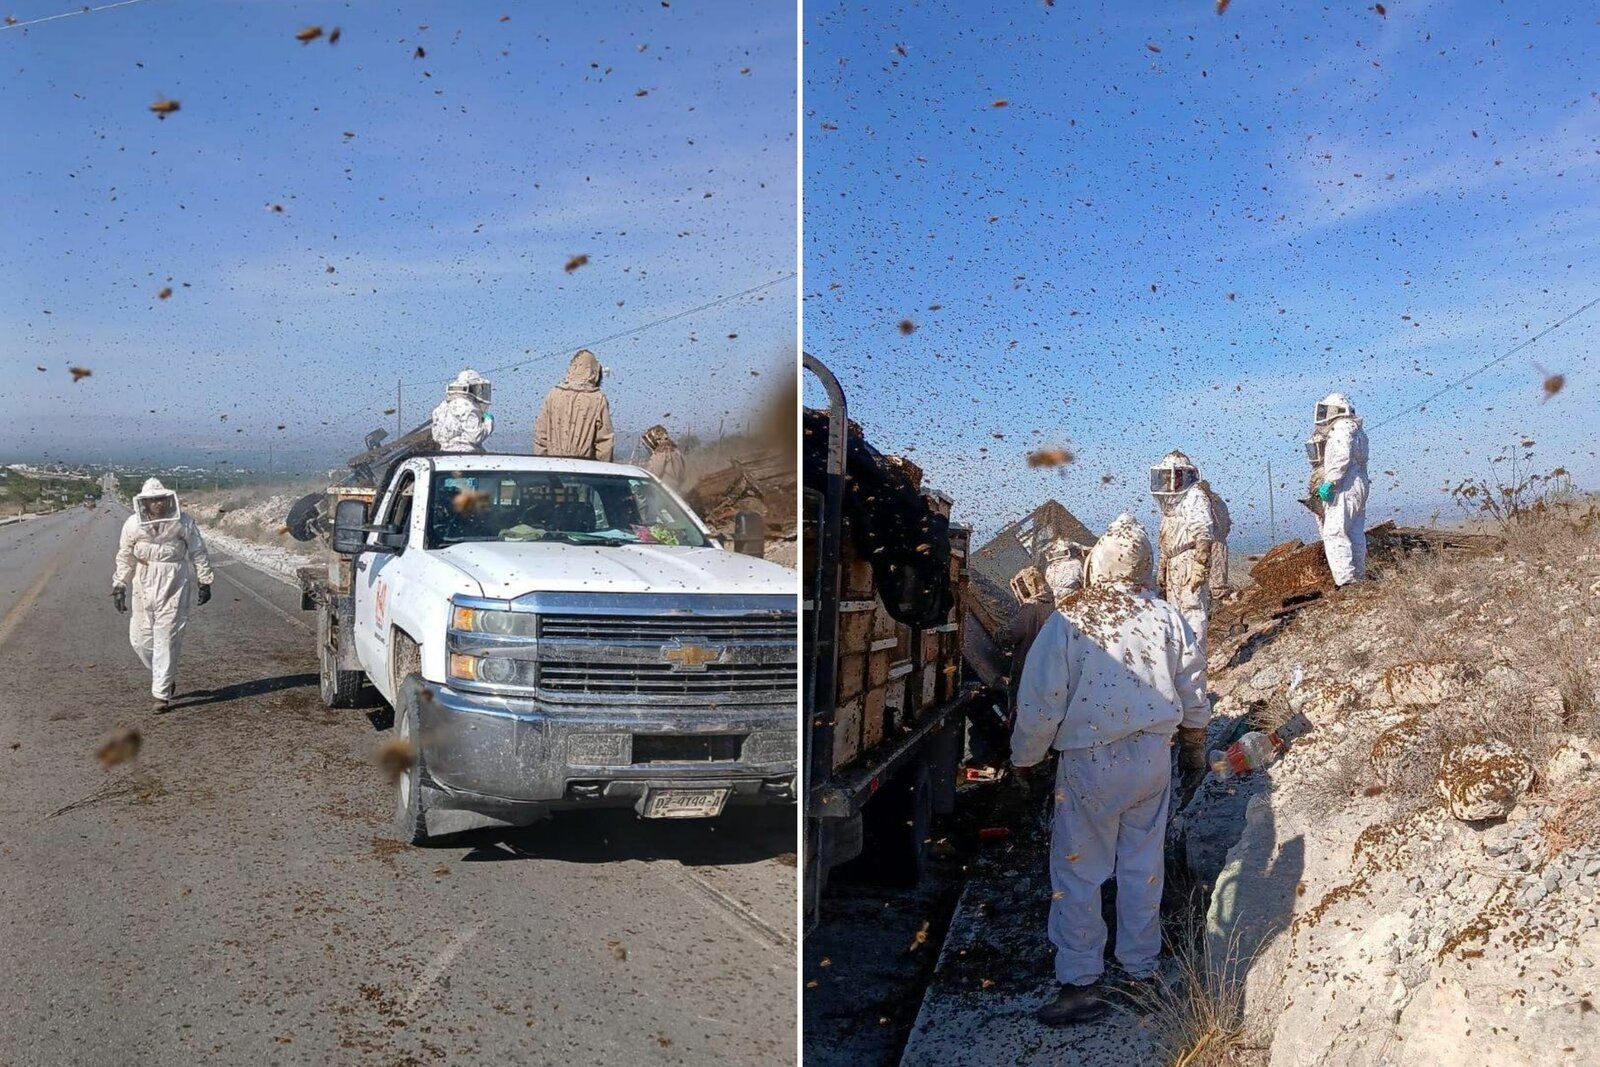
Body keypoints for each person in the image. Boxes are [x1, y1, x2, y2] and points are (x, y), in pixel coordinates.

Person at [1010, 514, 1210, 1026]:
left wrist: (1025, 762)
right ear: (1146, 564)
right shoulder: (1167, 616)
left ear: (1097, 562)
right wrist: (1192, 748)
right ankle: (1141, 971)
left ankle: (1080, 983)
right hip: (1152, 760)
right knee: (1143, 864)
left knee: (1079, 869)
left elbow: (1039, 702)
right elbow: (1192, 691)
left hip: (1090, 764)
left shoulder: (1072, 620)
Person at [111, 479, 214, 711]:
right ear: (144, 503)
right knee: (140, 640)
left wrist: (205, 580)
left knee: (166, 638)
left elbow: (198, 551)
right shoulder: (132, 525)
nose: (157, 504)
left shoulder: (182, 522)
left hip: (174, 582)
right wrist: (119, 586)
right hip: (143, 581)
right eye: (152, 500)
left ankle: (161, 694)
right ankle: (164, 677)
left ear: (167, 500)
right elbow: (125, 556)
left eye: (160, 499)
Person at [1150, 450, 1220, 656]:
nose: (1167, 480)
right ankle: (1183, 661)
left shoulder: (1194, 496)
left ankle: (1195, 659)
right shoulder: (1170, 506)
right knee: (1175, 614)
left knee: (1192, 611)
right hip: (1174, 563)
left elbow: (1203, 532)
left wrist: (1200, 565)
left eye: (1171, 475)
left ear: (1183, 474)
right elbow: (1166, 540)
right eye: (1164, 476)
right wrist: (1163, 568)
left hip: (1189, 559)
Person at [1309, 392, 1370, 586]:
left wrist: (1330, 482)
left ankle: (1346, 580)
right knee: (1354, 532)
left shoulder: (1342, 427)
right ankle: (1358, 575)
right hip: (1358, 481)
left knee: (1334, 532)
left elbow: (1341, 457)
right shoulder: (1358, 429)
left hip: (1345, 484)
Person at [534, 349, 615, 461]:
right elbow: (604, 441)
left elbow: (541, 435)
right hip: (584, 469)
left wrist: (542, 465)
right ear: (594, 371)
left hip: (553, 466)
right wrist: (604, 473)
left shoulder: (553, 395)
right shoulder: (597, 398)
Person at [430, 369, 494, 453]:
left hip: (444, 453)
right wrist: (488, 422)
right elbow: (476, 436)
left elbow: (436, 436)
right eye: (479, 389)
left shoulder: (443, 406)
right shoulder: (468, 407)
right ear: (471, 389)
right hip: (466, 455)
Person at [642, 424, 688, 491]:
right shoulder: (676, 452)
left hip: (663, 491)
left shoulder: (660, 453)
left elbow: (653, 474)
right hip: (676, 492)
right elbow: (683, 475)